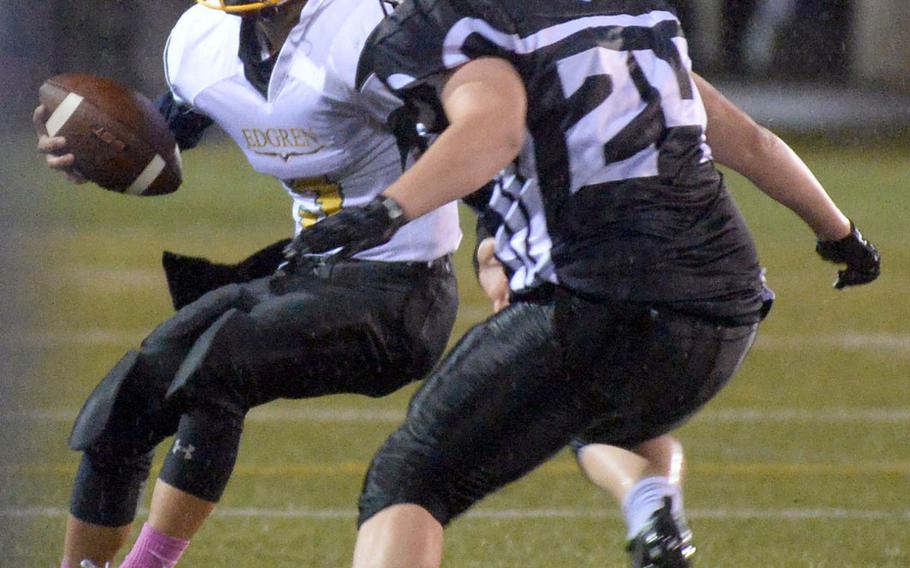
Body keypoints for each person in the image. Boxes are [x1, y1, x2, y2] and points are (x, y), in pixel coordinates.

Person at [287, 1, 881, 567]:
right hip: (722, 314)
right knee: (591, 413)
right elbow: (752, 142)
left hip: (598, 296)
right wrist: (842, 236)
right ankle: (652, 506)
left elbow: (494, 130)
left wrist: (388, 210)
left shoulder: (465, 25)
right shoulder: (630, 16)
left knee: (410, 474)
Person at [34, 1, 464, 567]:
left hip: (400, 292)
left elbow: (475, 133)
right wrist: (95, 153)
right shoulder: (201, 43)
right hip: (305, 273)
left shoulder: (371, 31)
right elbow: (165, 134)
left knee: (219, 361)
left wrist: (493, 238)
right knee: (128, 396)